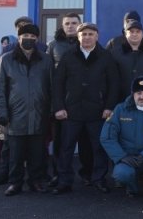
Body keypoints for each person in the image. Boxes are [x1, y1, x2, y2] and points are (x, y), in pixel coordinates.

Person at [52, 22, 119, 195]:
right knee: (66, 148)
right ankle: (64, 181)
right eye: (84, 34)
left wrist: (109, 107)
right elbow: (58, 83)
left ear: (97, 36)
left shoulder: (106, 57)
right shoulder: (68, 56)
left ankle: (99, 179)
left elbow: (114, 84)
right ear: (78, 37)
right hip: (70, 111)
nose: (87, 37)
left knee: (98, 148)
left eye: (90, 34)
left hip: (97, 111)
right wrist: (59, 107)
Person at [0, 23, 53, 196]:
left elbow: (52, 87)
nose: (29, 39)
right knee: (16, 154)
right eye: (25, 36)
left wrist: (51, 110)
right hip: (15, 115)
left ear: (37, 39)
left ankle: (36, 181)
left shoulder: (46, 59)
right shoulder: (6, 59)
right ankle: (15, 183)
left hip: (39, 114)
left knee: (38, 153)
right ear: (19, 38)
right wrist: (2, 112)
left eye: (32, 36)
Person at [46, 12, 87, 188]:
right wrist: (55, 104)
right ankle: (59, 175)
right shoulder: (53, 46)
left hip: (84, 103)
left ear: (80, 24)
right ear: (62, 26)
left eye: (73, 23)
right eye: (67, 23)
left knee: (86, 142)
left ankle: (87, 174)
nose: (70, 26)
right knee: (61, 143)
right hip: (61, 102)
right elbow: (48, 76)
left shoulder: (87, 43)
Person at [110, 20, 143, 100]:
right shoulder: (115, 54)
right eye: (131, 32)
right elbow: (111, 80)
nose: (135, 34)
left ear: (142, 34)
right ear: (126, 34)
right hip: (122, 101)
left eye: (138, 31)